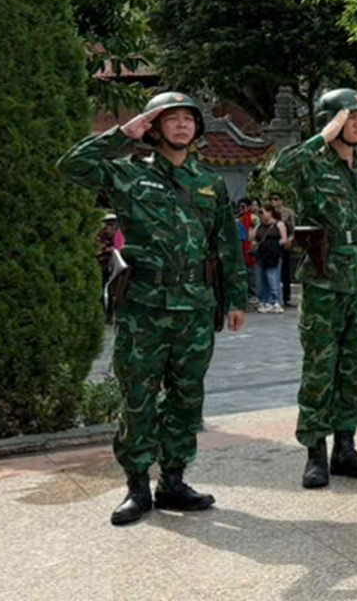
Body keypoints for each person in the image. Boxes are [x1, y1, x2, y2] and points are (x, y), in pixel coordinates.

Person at [59, 91, 247, 526]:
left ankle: (174, 481)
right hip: (144, 306)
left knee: (186, 397)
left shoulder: (209, 181)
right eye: (171, 119)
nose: (182, 125)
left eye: (188, 119)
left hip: (196, 308)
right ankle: (137, 486)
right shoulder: (127, 175)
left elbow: (226, 247)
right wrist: (121, 135)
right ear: (154, 127)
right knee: (139, 396)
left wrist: (234, 298)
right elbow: (71, 167)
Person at [269, 88, 357, 489]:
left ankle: (345, 447)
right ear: (330, 121)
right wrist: (321, 137)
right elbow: (277, 171)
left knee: (354, 367)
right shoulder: (312, 166)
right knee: (320, 366)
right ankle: (315, 450)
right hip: (325, 281)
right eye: (349, 117)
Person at [253, 207, 286, 313]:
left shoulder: (279, 224)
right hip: (261, 255)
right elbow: (253, 237)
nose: (262, 214)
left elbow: (284, 239)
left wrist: (274, 245)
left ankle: (275, 301)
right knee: (261, 279)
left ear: (270, 212)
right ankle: (263, 300)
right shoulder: (260, 225)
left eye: (263, 212)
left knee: (273, 277)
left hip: (273, 255)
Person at [268, 193, 297, 308]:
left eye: (276, 199)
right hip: (273, 243)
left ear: (281, 200)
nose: (273, 202)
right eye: (271, 199)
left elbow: (294, 229)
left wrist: (289, 241)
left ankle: (286, 297)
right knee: (272, 270)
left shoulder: (288, 213)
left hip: (285, 244)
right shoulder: (269, 212)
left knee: (285, 271)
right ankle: (273, 298)